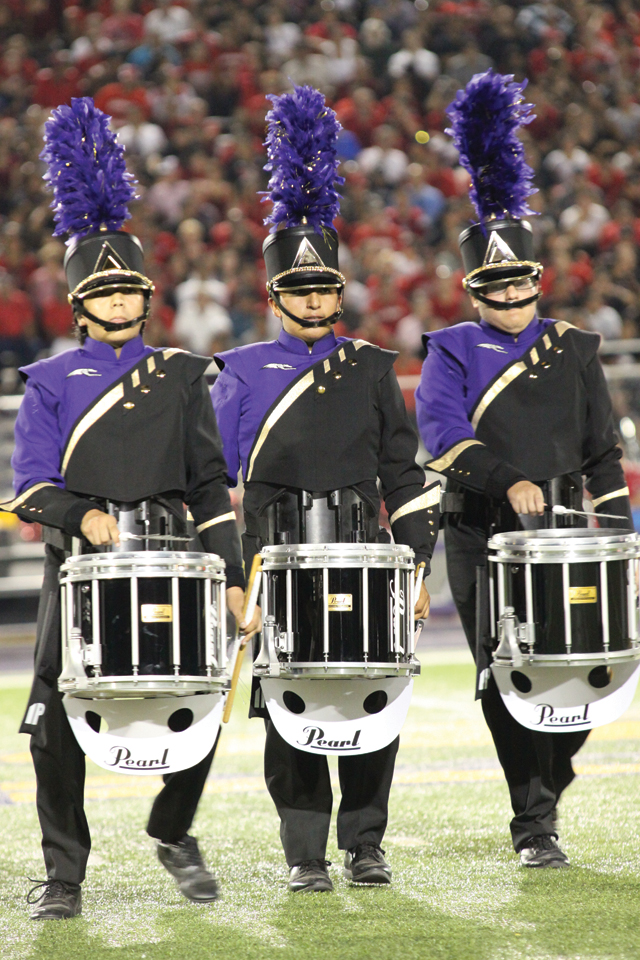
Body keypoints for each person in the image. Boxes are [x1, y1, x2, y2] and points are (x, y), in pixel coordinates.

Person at [1, 98, 259, 921]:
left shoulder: (183, 375)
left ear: (146, 298)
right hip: (77, 565)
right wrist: (83, 516)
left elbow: (210, 483)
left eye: (128, 290)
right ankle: (63, 874)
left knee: (200, 700)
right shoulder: (47, 381)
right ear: (79, 304)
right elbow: (31, 488)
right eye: (102, 292)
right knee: (51, 720)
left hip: (173, 558)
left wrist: (228, 577)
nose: (117, 302)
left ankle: (174, 830)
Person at [211, 85, 438, 894]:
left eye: (326, 289)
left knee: (373, 697)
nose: (315, 300)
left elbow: (404, 472)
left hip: (365, 552)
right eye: (300, 291)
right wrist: (243, 580)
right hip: (278, 555)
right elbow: (222, 482)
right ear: (274, 296)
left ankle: (365, 844)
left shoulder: (373, 367)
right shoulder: (236, 372)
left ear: (340, 293)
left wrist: (417, 566)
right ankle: (306, 853)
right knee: (292, 709)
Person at [415, 71, 633, 869]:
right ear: (474, 290)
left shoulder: (575, 347)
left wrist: (626, 539)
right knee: (507, 674)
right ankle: (533, 824)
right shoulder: (451, 349)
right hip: (481, 531)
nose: (508, 294)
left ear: (538, 280)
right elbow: (438, 433)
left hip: (572, 534)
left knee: (580, 677)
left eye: (519, 282)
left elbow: (604, 451)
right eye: (494, 285)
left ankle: (549, 781)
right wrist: (505, 477)